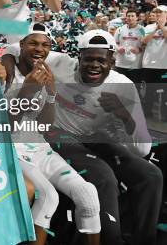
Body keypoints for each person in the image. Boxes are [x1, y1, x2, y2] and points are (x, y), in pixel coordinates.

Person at [46, 30, 161, 245]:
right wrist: (5, 61)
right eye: (88, 59)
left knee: (151, 175)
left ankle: (143, 239)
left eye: (102, 60)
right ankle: (112, 239)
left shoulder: (122, 86)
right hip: (60, 132)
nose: (94, 65)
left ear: (113, 61)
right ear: (78, 58)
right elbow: (18, 47)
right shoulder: (61, 64)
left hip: (95, 136)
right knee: (104, 176)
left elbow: (143, 149)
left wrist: (124, 115)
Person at [4, 23, 101, 245]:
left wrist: (50, 93)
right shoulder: (5, 73)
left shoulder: (45, 73)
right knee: (47, 197)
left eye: (45, 45)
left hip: (40, 149)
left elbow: (45, 125)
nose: (39, 49)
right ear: (21, 45)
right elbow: (4, 128)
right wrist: (26, 93)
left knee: (88, 195)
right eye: (33, 43)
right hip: (11, 150)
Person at [140, 5, 166, 118]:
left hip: (164, 65)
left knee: (165, 93)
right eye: (157, 13)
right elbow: (143, 41)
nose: (158, 15)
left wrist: (162, 26)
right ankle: (147, 114)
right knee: (149, 91)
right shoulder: (149, 27)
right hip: (148, 64)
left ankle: (164, 115)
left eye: (161, 13)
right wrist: (156, 28)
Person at [114, 10, 144, 84]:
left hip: (136, 64)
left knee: (135, 87)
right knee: (120, 87)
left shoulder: (142, 30)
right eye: (128, 16)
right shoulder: (120, 29)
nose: (130, 18)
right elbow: (114, 43)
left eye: (132, 16)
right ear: (126, 17)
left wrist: (139, 49)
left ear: (137, 18)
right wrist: (118, 48)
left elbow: (146, 44)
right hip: (121, 63)